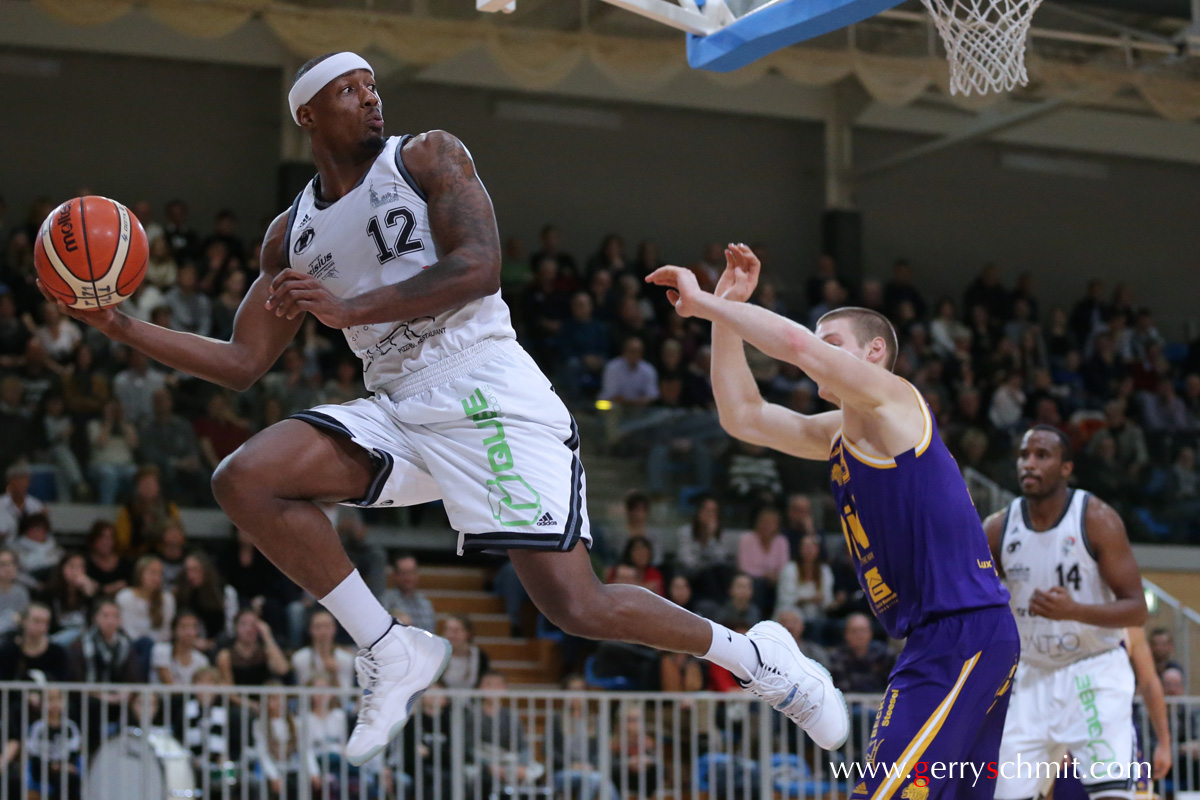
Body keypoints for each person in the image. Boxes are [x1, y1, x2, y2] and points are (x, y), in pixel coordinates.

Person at [44, 52, 805, 771]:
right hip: (400, 406)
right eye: (351, 90)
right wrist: (121, 326)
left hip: (486, 389)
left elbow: (479, 268)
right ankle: (389, 646)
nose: (372, 96)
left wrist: (349, 309)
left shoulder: (427, 156)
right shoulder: (292, 234)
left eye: (373, 85)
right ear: (308, 115)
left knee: (577, 604)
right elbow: (244, 363)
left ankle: (753, 657)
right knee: (247, 478)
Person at [649, 244, 1019, 771]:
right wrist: (725, 317)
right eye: (821, 341)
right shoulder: (839, 433)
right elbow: (745, 416)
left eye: (834, 342)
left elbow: (796, 344)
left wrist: (705, 302)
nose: (818, 352)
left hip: (963, 630)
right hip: (941, 634)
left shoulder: (895, 401)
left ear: (871, 353)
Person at [985, 426, 1149, 800]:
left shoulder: (1097, 519)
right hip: (1030, 676)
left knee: (1111, 794)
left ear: (1066, 468)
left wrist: (1074, 610)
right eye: (1024, 455)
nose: (1029, 463)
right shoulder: (998, 528)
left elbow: (1137, 609)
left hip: (1093, 670)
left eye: (1042, 455)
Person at [216, 607, 290, 686]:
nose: (249, 629)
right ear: (236, 627)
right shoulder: (226, 655)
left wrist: (267, 636)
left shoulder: (265, 650)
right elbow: (228, 691)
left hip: (263, 697)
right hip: (236, 697)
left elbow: (282, 669)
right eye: (243, 624)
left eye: (253, 624)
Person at [291, 608, 355, 688]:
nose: (323, 631)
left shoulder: (346, 658)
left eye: (327, 626)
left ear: (334, 628)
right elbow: (303, 691)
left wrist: (334, 674)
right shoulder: (300, 658)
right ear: (310, 629)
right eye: (318, 627)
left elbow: (346, 695)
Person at [378, 553, 437, 633]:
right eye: (403, 573)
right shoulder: (386, 600)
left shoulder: (425, 603)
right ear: (395, 575)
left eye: (411, 572)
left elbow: (431, 633)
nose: (408, 578)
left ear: (417, 574)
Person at [152, 610, 210, 685]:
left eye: (193, 627)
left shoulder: (202, 660)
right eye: (184, 627)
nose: (189, 632)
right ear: (174, 630)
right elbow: (169, 685)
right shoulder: (161, 650)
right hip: (163, 696)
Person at [440, 614, 490, 689]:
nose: (450, 635)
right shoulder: (437, 655)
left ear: (467, 633)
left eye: (456, 631)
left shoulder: (480, 656)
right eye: (447, 630)